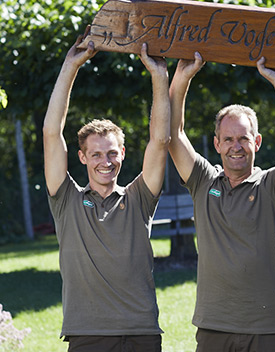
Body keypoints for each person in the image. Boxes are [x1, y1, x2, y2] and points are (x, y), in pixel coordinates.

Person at [168, 53, 275, 351]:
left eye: (244, 139)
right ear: (217, 143)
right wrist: (182, 78)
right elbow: (172, 134)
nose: (236, 146)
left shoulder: (272, 185)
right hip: (214, 329)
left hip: (268, 329)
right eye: (228, 139)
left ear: (256, 142)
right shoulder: (203, 181)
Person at [43, 30, 170, 352]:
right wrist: (70, 66)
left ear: (123, 153)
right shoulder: (67, 199)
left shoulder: (140, 197)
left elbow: (160, 140)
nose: (106, 161)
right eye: (96, 154)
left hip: (141, 332)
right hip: (88, 335)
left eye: (112, 152)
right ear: (82, 157)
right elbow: (50, 132)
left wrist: (159, 75)